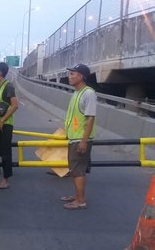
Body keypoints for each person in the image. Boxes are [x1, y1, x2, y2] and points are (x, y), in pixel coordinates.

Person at [61, 63, 96, 210]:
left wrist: (83, 141)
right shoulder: (77, 92)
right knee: (74, 169)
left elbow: (90, 118)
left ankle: (80, 200)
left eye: (72, 74)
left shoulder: (88, 93)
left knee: (78, 170)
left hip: (80, 139)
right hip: (74, 137)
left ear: (81, 76)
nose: (69, 77)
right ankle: (77, 196)